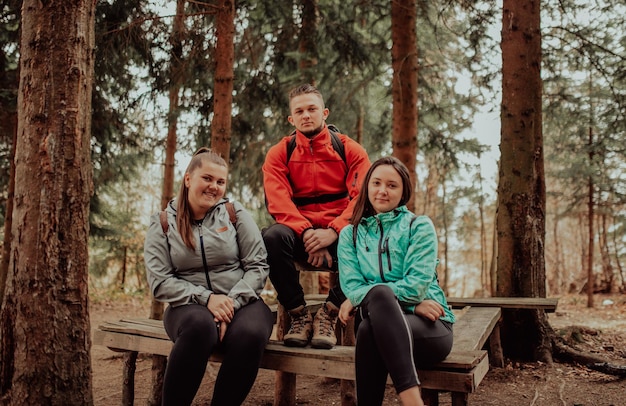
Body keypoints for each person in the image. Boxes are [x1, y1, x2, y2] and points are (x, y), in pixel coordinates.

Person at [144, 148, 274, 406]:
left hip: (241, 300)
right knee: (199, 327)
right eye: (207, 178)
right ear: (188, 178)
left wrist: (229, 304)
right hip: (188, 306)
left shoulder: (234, 213)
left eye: (220, 181)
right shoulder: (163, 223)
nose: (214, 187)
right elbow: (159, 281)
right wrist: (207, 299)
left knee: (251, 333)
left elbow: (258, 264)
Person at [337, 156, 455, 406]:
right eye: (377, 183)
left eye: (392, 185)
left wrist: (378, 299)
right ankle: (413, 400)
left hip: (431, 327)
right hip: (385, 322)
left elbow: (415, 287)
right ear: (367, 186)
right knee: (371, 320)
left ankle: (412, 400)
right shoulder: (350, 234)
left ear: (403, 193)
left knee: (373, 314)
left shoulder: (418, 226)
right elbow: (352, 287)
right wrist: (411, 305)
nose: (382, 191)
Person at [262, 83, 371, 349]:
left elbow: (362, 197)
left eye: (312, 109)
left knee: (369, 238)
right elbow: (278, 201)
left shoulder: (350, 149)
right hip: (301, 233)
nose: (306, 115)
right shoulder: (279, 153)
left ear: (325, 113)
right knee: (271, 237)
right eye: (299, 111)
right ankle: (299, 314)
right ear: (291, 118)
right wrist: (308, 233)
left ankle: (329, 312)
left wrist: (333, 231)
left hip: (339, 233)